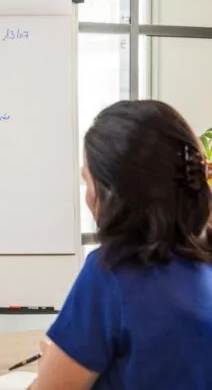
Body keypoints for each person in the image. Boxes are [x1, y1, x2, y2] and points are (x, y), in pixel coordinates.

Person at [28, 100, 212, 389]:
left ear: (113, 192)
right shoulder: (205, 264)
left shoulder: (112, 272)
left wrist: (46, 370)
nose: (87, 197)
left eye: (87, 181)